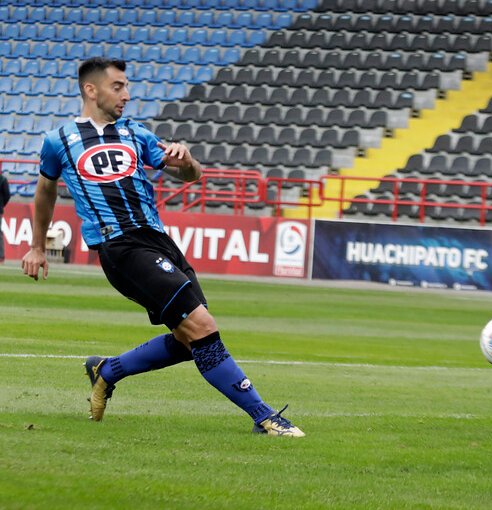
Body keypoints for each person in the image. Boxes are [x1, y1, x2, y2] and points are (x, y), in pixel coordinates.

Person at [22, 57, 304, 437]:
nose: (127, 94)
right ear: (91, 90)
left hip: (158, 241)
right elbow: (45, 192)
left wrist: (186, 161)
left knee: (192, 342)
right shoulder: (59, 141)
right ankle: (265, 416)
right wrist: (37, 246)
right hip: (119, 247)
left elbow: (192, 175)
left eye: (126, 86)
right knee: (202, 326)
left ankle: (107, 371)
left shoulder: (135, 133)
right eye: (118, 86)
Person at [0, 170, 9, 263]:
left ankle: (1, 256)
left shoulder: (3, 179)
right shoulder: (3, 179)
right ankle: (1, 256)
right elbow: (7, 195)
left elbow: (7, 195)